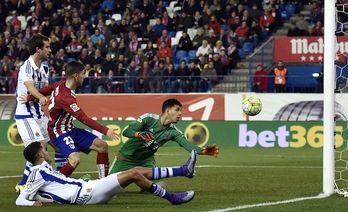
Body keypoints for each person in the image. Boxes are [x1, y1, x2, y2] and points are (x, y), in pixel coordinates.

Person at [16, 142, 197, 206]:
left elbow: (49, 190)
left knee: (135, 171)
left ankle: (183, 170)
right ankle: (173, 198)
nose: (48, 152)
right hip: (87, 194)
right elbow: (21, 198)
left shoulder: (42, 169)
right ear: (40, 155)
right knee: (133, 173)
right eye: (45, 150)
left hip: (88, 189)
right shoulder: (38, 171)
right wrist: (32, 204)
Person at [24, 61, 119, 178]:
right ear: (76, 75)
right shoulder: (66, 98)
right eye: (83, 74)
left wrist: (30, 97)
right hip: (58, 132)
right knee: (75, 159)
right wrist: (106, 130)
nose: (84, 77)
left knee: (102, 146)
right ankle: (56, 183)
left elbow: (47, 89)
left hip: (70, 129)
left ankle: (104, 184)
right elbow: (83, 118)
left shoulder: (61, 84)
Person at [109, 98, 219, 188]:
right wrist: (139, 134)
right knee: (108, 187)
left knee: (161, 186)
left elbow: (190, 147)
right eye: (177, 110)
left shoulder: (174, 132)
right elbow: (127, 132)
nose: (180, 113)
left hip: (146, 161)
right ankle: (138, 179)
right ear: (168, 111)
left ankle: (141, 181)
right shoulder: (148, 119)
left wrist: (204, 151)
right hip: (125, 159)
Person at [14, 34, 65, 193]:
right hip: (26, 115)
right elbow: (30, 86)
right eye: (47, 47)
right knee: (40, 147)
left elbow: (44, 88)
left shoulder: (44, 67)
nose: (50, 50)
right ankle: (23, 184)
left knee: (60, 146)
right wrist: (39, 96)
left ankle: (61, 179)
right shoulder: (26, 67)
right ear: (38, 49)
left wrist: (46, 96)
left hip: (39, 114)